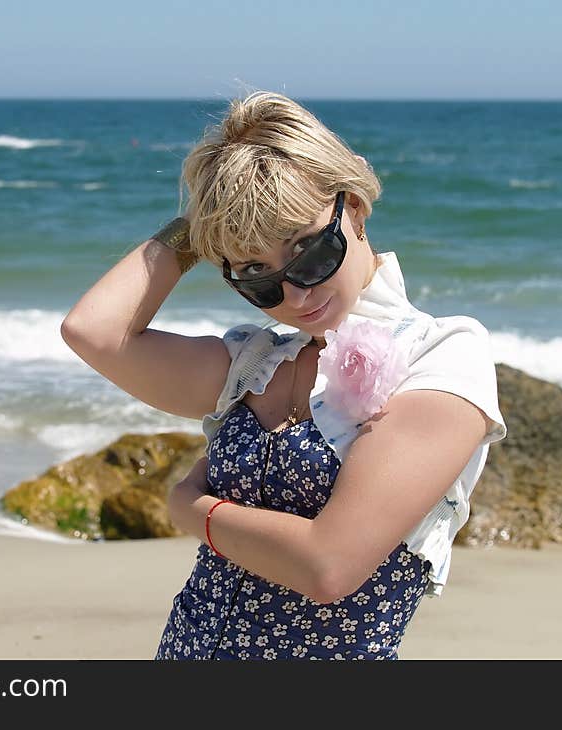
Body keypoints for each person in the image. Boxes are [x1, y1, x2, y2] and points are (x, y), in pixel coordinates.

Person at [60, 91, 507, 660]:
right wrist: (199, 227)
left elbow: (330, 566)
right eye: (255, 273)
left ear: (355, 211)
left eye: (308, 250)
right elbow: (94, 332)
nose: (295, 291)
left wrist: (191, 510)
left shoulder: (443, 353)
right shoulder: (252, 363)